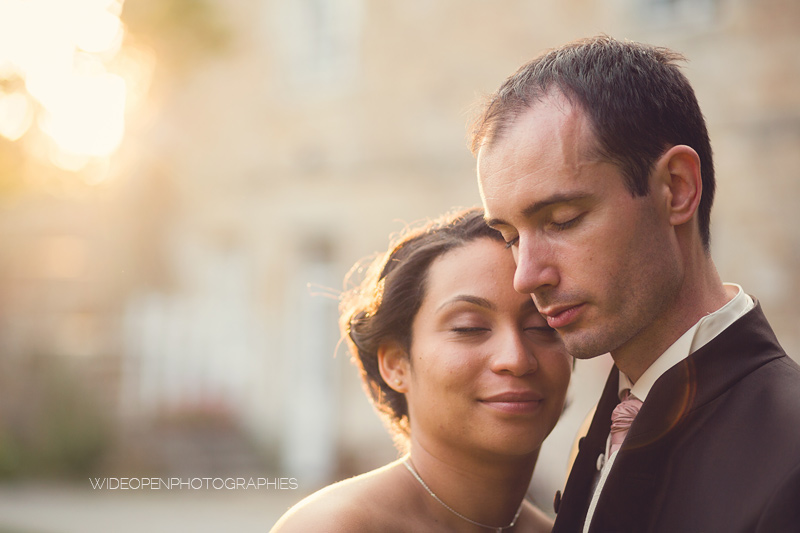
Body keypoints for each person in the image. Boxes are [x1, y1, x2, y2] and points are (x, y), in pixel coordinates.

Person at [471, 35, 800, 532]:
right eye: (511, 237)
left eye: (562, 219)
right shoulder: (600, 428)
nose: (525, 276)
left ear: (677, 189)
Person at [270, 207, 572, 532]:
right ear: (395, 363)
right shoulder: (335, 526)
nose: (515, 358)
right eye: (469, 328)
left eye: (542, 327)